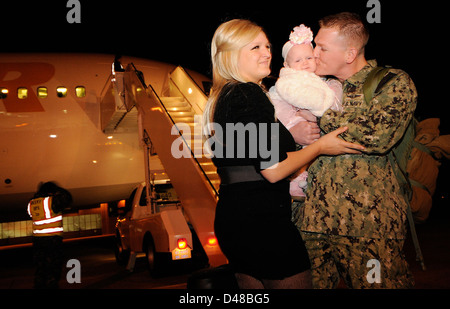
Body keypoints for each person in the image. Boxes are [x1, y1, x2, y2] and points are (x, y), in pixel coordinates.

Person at [202, 19, 365, 289]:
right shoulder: (247, 94)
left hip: (233, 218)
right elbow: (274, 169)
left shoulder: (222, 96)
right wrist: (321, 146)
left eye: (267, 45)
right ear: (231, 54)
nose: (267, 52)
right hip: (262, 224)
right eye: (255, 47)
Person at [294, 12, 417, 288]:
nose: (313, 52)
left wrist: (319, 112)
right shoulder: (313, 86)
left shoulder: (392, 82)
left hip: (368, 226)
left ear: (350, 54)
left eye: (322, 47)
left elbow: (377, 134)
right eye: (315, 44)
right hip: (310, 223)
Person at [268, 24, 343, 197]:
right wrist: (296, 122)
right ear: (287, 65)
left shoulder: (325, 82)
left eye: (309, 58)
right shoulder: (287, 83)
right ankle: (296, 181)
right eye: (298, 60)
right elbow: (286, 106)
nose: (305, 63)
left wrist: (314, 114)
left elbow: (335, 105)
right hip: (291, 128)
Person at [27, 181, 72, 289]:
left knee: (40, 270)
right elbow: (68, 198)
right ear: (50, 191)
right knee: (53, 269)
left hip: (38, 241)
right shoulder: (50, 201)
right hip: (52, 240)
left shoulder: (31, 203)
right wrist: (57, 188)